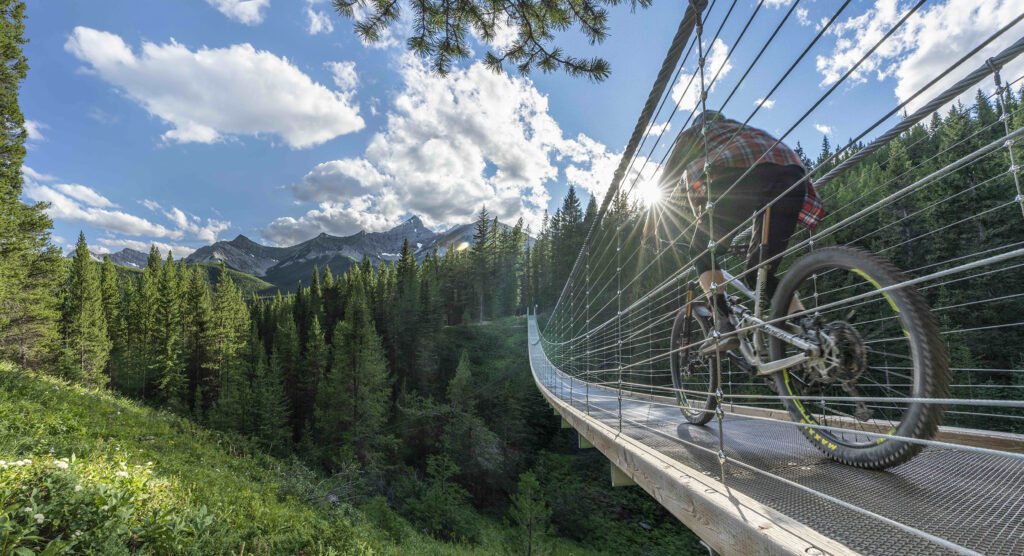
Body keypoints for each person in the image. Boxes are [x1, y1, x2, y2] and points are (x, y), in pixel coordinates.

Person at [662, 111, 825, 353]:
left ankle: (724, 324)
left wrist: (652, 229)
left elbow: (669, 181)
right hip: (792, 175)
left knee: (700, 251)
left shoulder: (699, 133)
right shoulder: (744, 131)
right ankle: (808, 326)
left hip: (742, 177)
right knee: (760, 272)